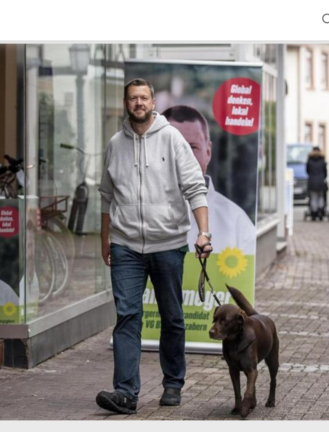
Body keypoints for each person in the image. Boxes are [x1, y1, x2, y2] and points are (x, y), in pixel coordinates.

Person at [96, 78, 212, 414]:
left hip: (168, 244)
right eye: (133, 98)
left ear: (152, 102)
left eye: (144, 97)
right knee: (127, 317)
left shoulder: (172, 138)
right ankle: (126, 393)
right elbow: (106, 197)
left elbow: (194, 187)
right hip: (125, 246)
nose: (139, 103)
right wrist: (106, 238)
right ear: (125, 103)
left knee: (172, 316)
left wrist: (204, 233)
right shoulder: (115, 144)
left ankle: (173, 383)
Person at [162, 105, 256, 254]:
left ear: (208, 152)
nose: (183, 158)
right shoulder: (134, 217)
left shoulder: (237, 224)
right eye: (172, 146)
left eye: (192, 147)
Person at [306, 146, 328, 220]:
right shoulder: (323, 161)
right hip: (321, 182)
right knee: (321, 197)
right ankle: (321, 211)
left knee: (313, 198)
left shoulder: (309, 161)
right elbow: (325, 172)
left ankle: (314, 213)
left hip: (312, 182)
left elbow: (307, 171)